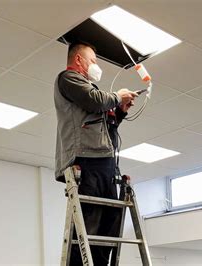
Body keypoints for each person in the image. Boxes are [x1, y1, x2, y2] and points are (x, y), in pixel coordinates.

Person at [54, 40, 138, 265]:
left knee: (109, 223)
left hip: (105, 162)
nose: (96, 65)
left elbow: (105, 127)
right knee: (88, 223)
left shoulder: (92, 90)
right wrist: (117, 96)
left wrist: (119, 112)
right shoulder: (68, 79)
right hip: (86, 160)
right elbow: (94, 101)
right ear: (78, 59)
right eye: (92, 60)